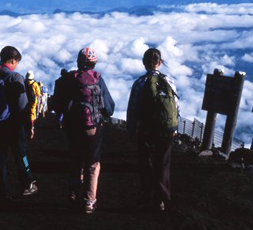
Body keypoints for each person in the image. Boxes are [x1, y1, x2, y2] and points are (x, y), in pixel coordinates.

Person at [52, 47, 115, 214]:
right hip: (93, 127)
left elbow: (56, 105)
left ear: (79, 61)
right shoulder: (98, 79)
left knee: (76, 160)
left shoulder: (68, 79)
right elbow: (109, 108)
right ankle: (89, 201)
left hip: (73, 127)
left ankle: (73, 194)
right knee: (92, 163)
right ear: (93, 63)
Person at [0, 46, 38, 200]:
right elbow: (22, 106)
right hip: (12, 126)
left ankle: (1, 193)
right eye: (17, 62)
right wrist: (29, 126)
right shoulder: (15, 78)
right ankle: (28, 184)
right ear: (13, 60)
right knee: (20, 154)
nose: (17, 65)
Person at [127, 48, 178, 211]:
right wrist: (174, 126)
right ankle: (160, 199)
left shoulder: (140, 83)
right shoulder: (169, 80)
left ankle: (146, 195)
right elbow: (176, 106)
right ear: (160, 62)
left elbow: (133, 109)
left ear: (144, 63)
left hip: (147, 130)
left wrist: (131, 130)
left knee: (145, 162)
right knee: (162, 163)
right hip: (167, 129)